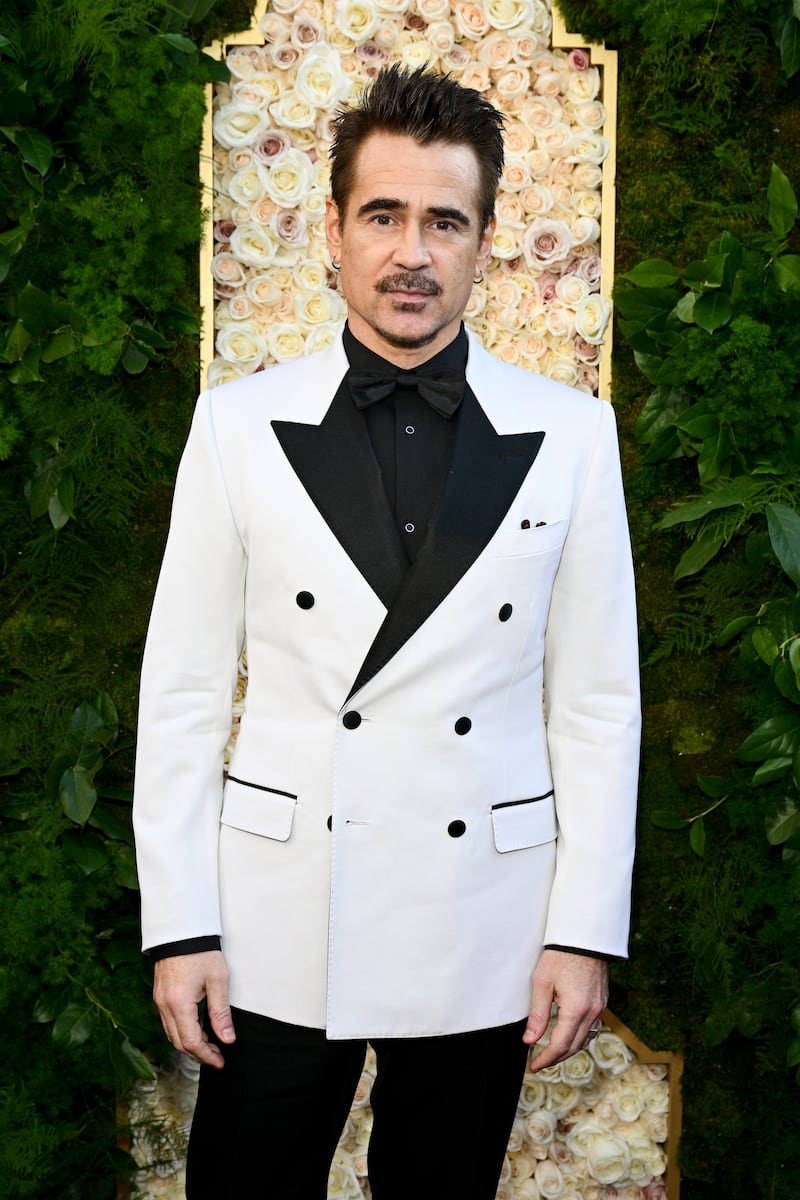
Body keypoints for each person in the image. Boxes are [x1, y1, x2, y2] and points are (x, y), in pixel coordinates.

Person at [133, 64, 640, 1200]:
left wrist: (581, 929)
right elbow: (180, 694)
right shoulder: (233, 428)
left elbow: (597, 705)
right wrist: (180, 927)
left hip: (484, 927)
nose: (411, 252)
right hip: (272, 921)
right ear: (332, 230)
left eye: (443, 221)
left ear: (484, 239)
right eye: (383, 216)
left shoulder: (570, 435)